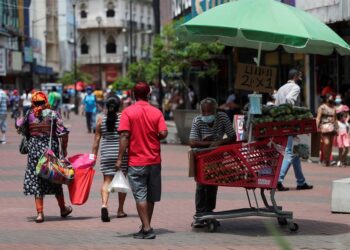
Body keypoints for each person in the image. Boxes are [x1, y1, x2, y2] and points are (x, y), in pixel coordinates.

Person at [116, 82, 168, 239]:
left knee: (140, 196)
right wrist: (157, 136)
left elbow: (124, 136)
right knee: (150, 196)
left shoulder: (128, 112)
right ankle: (146, 226)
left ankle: (146, 228)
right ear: (149, 94)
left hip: (137, 161)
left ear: (133, 94)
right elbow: (164, 133)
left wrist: (119, 158)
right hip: (154, 160)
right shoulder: (156, 112)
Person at [15, 91, 72, 223]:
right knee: (56, 177)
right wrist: (64, 148)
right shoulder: (53, 114)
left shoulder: (29, 114)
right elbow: (63, 132)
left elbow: (20, 128)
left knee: (37, 181)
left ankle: (40, 214)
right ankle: (63, 209)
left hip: (34, 151)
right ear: (45, 101)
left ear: (33, 102)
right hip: (50, 150)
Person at [189, 97, 236, 228]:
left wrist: (220, 142)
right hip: (202, 157)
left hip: (216, 157)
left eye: (209, 113)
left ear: (215, 111)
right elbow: (192, 142)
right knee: (201, 185)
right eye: (204, 113)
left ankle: (209, 213)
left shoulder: (222, 117)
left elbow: (232, 136)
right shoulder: (198, 120)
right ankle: (199, 214)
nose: (206, 115)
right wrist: (210, 143)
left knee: (212, 184)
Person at [275, 69, 313, 191]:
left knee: (295, 153)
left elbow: (276, 106)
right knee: (289, 153)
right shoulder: (295, 87)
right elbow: (289, 100)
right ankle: (279, 180)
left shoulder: (281, 88)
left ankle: (301, 182)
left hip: (280, 123)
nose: (301, 79)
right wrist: (297, 113)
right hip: (290, 123)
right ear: (296, 76)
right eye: (300, 76)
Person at [92, 96, 128, 222]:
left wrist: (93, 157)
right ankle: (120, 210)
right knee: (121, 181)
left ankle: (104, 205)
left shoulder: (101, 120)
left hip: (106, 153)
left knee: (106, 181)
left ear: (106, 106)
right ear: (119, 106)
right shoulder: (124, 119)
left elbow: (96, 141)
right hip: (120, 153)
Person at [316, 93, 338, 167]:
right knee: (326, 143)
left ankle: (328, 160)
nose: (332, 99)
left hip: (332, 128)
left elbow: (335, 119)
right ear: (327, 99)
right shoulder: (322, 107)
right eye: (330, 98)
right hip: (324, 127)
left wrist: (337, 128)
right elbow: (318, 118)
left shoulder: (333, 108)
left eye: (332, 98)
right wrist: (316, 127)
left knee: (330, 145)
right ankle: (325, 159)